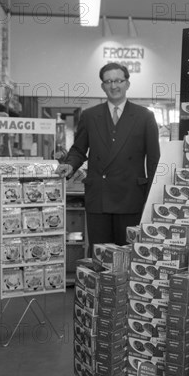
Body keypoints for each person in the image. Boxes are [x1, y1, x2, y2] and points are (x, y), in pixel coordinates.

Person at [56, 63, 160, 246]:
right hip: (99, 196)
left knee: (128, 254)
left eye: (119, 80)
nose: (114, 86)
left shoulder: (145, 116)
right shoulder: (89, 115)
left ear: (127, 83)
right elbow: (79, 149)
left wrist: (154, 198)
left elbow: (154, 160)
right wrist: (70, 165)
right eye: (109, 81)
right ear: (103, 85)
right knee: (99, 255)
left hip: (131, 196)